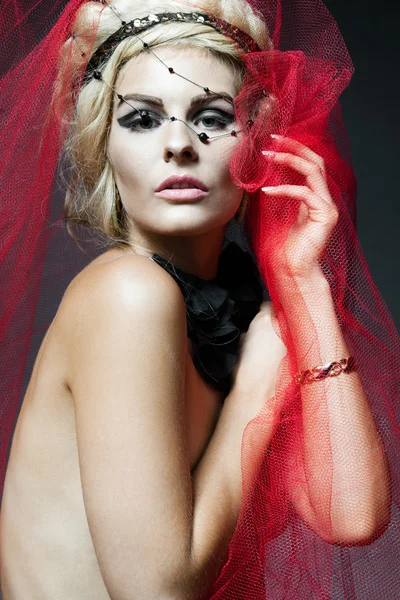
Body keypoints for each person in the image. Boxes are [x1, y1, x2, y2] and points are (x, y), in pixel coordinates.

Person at [0, 0, 398, 599]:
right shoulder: (127, 294)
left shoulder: (236, 310)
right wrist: (252, 393)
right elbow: (158, 594)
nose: (179, 144)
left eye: (211, 116)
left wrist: (304, 287)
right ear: (101, 142)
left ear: (257, 138)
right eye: (141, 119)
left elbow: (351, 515)